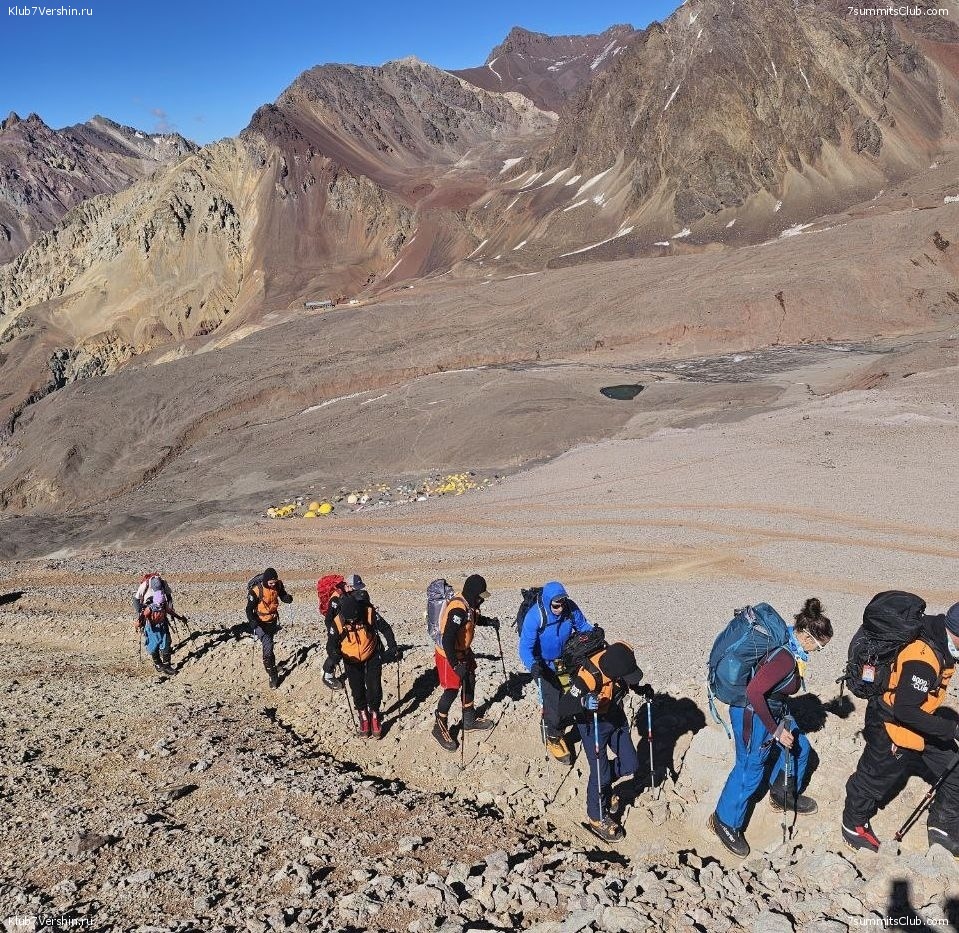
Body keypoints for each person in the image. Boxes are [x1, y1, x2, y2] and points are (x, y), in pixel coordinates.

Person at [710, 598, 833, 858]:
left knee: (800, 747)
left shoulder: (789, 642)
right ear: (807, 637)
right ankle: (724, 821)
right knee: (750, 768)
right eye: (819, 647)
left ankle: (781, 794)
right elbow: (754, 692)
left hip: (774, 708)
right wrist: (776, 730)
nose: (817, 652)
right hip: (752, 713)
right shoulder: (786, 658)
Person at [842, 600, 959, 855]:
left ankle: (942, 825)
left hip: (918, 720)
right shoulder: (924, 660)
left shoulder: (938, 637)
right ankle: (853, 824)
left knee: (955, 768)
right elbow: (905, 711)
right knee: (874, 778)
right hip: (890, 724)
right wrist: (953, 730)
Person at [567, 641, 653, 842]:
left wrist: (641, 689)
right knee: (601, 774)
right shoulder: (588, 676)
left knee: (631, 764)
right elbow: (565, 706)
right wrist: (584, 701)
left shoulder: (619, 657)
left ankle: (603, 785)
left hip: (615, 717)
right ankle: (596, 817)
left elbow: (625, 681)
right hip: (593, 725)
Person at [519, 581, 594, 765]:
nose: (560, 608)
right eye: (556, 605)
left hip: (563, 661)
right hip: (543, 665)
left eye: (562, 603)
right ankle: (552, 735)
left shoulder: (570, 608)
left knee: (571, 693)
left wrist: (595, 635)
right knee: (552, 702)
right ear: (547, 602)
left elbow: (583, 627)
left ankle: (564, 721)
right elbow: (524, 648)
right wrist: (533, 666)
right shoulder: (535, 616)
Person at [432, 573, 500, 752]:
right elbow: (447, 639)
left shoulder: (470, 606)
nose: (482, 600)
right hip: (448, 655)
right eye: (480, 597)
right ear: (473, 594)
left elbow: (472, 619)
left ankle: (469, 720)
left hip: (463, 652)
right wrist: (455, 665)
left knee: (470, 679)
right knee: (452, 689)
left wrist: (489, 622)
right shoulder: (458, 609)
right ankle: (439, 726)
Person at [331, 591, 385, 738]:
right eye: (350, 620)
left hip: (371, 654)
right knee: (357, 689)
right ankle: (363, 716)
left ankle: (375, 714)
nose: (353, 622)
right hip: (351, 660)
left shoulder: (368, 612)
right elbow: (331, 643)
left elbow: (385, 628)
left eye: (355, 619)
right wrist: (334, 655)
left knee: (374, 687)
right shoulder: (338, 621)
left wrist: (393, 647)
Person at [246, 568, 293, 689]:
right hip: (260, 623)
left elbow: (282, 595)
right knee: (268, 647)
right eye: (270, 583)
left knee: (269, 645)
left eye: (274, 582)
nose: (273, 585)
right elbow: (249, 609)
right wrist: (252, 621)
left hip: (272, 621)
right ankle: (273, 676)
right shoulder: (256, 591)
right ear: (265, 580)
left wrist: (287, 598)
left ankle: (272, 667)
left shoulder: (278, 585)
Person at [139, 591, 175, 675]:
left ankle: (167, 666)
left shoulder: (163, 605)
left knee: (167, 643)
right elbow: (142, 617)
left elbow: (169, 611)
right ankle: (158, 663)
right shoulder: (150, 608)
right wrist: (140, 624)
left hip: (162, 627)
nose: (160, 605)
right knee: (154, 646)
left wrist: (180, 618)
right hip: (152, 629)